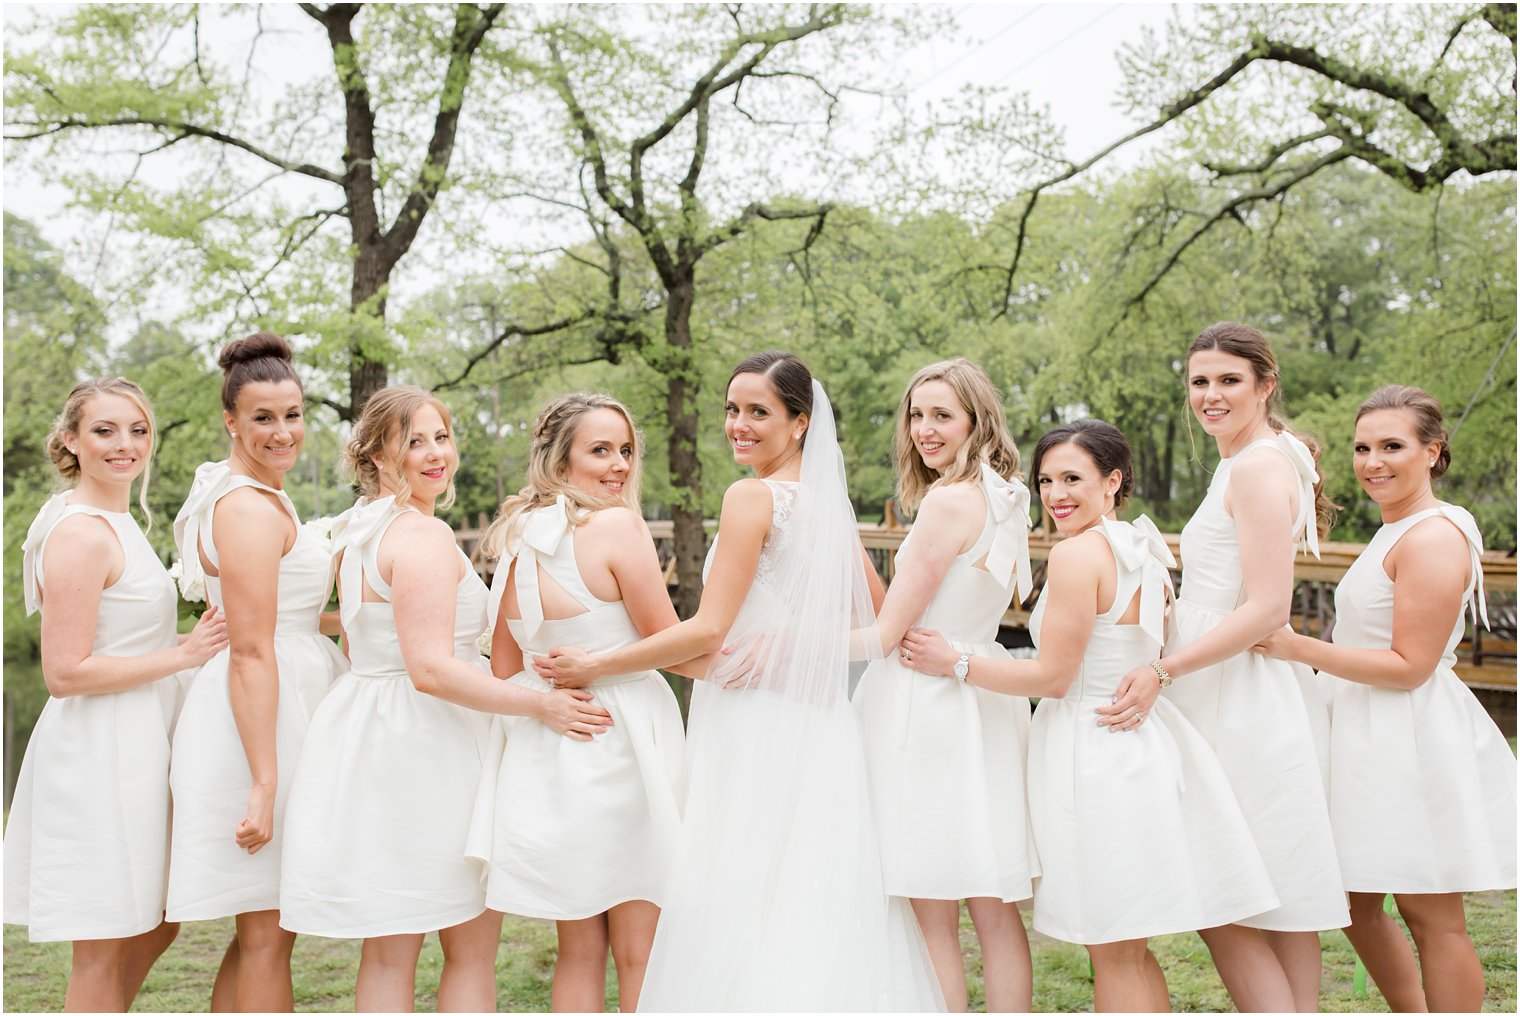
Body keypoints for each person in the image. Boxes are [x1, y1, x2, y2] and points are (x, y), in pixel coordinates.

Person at [533, 351, 943, 1011]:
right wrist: (802, 652)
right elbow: (876, 621)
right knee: (813, 885)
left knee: (744, 886)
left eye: (759, 412)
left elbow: (706, 632)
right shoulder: (824, 504)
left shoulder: (750, 497)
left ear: (801, 422)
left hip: (753, 718)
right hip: (817, 718)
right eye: (732, 409)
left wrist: (595, 663)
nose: (738, 425)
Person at [901, 419, 1278, 1013]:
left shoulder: (1080, 556)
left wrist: (957, 662)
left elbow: (1052, 677)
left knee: (1115, 950)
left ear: (1113, 481)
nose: (1057, 494)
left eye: (1073, 478)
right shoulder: (1138, 547)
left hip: (1096, 755)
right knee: (1128, 951)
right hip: (1134, 747)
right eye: (1046, 480)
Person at [278, 386, 611, 1011]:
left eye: (442, 437)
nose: (436, 454)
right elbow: (429, 669)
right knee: (470, 948)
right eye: (414, 441)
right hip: (432, 744)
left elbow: (361, 646)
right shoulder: (422, 536)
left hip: (369, 734)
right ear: (377, 454)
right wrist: (542, 705)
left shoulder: (354, 536)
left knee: (387, 952)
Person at [1102, 322, 1348, 1012]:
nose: (1210, 394)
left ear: (1266, 384)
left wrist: (1166, 669)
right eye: (1200, 381)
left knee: (1225, 883)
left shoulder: (1261, 465)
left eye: (1228, 380)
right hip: (1224, 678)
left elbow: (1268, 607)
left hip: (1237, 694)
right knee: (1269, 884)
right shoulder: (1244, 458)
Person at [1254, 384, 1517, 1013]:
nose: (1373, 461)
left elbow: (1411, 667)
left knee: (1431, 915)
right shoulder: (1394, 528)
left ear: (1433, 451)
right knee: (1352, 903)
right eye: (1362, 447)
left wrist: (1298, 647)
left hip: (1409, 738)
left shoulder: (1432, 537)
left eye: (1392, 446)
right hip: (1363, 734)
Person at [4, 378, 227, 1012]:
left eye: (137, 430)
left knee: (157, 920)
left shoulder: (118, 521)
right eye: (104, 430)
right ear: (71, 440)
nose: (125, 444)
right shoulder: (79, 533)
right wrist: (184, 654)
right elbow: (64, 672)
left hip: (139, 737)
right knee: (103, 942)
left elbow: (127, 636)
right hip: (96, 749)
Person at [472, 392, 689, 1013]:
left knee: (579, 949)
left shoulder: (513, 540)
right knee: (641, 945)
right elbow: (668, 643)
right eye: (600, 450)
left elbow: (507, 670)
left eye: (625, 450)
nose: (619, 465)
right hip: (623, 743)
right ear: (559, 458)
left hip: (552, 753)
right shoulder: (616, 526)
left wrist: (550, 701)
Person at [167, 334, 347, 1012]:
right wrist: (265, 783)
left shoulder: (264, 496)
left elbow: (282, 617)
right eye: (263, 418)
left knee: (263, 934)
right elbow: (250, 648)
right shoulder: (243, 506)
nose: (282, 431)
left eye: (293, 414)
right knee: (269, 930)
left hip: (286, 695)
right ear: (231, 420)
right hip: (257, 723)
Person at [853, 358, 1038, 1012]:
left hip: (925, 706)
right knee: (993, 905)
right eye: (916, 414)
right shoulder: (1004, 496)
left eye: (942, 415)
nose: (925, 429)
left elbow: (882, 637)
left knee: (931, 908)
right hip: (983, 692)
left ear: (975, 421)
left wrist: (779, 651)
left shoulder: (948, 502)